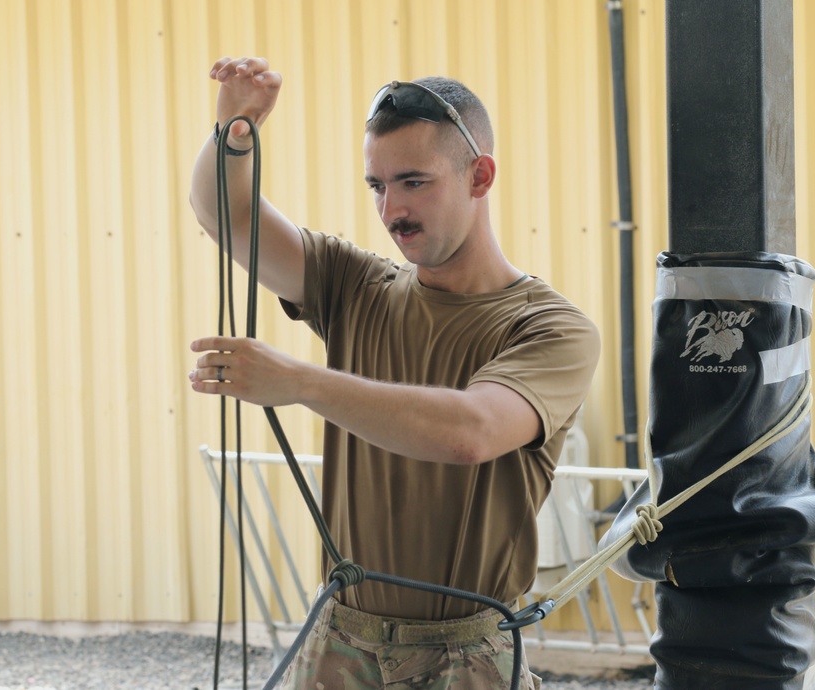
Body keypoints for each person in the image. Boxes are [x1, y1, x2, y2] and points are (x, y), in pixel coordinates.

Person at [188, 56, 600, 689]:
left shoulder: (552, 329)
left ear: (479, 176)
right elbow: (229, 217)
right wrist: (234, 136)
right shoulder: (355, 285)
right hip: (339, 640)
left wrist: (300, 382)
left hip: (465, 656)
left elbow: (471, 432)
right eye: (377, 186)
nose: (392, 211)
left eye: (413, 182)